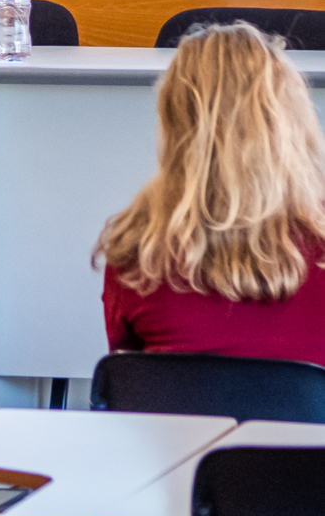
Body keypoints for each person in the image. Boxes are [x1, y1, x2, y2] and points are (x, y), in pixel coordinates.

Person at [99, 20, 325, 359]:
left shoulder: (136, 255)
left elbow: (132, 375)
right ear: (291, 120)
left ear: (175, 123)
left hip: (179, 398)